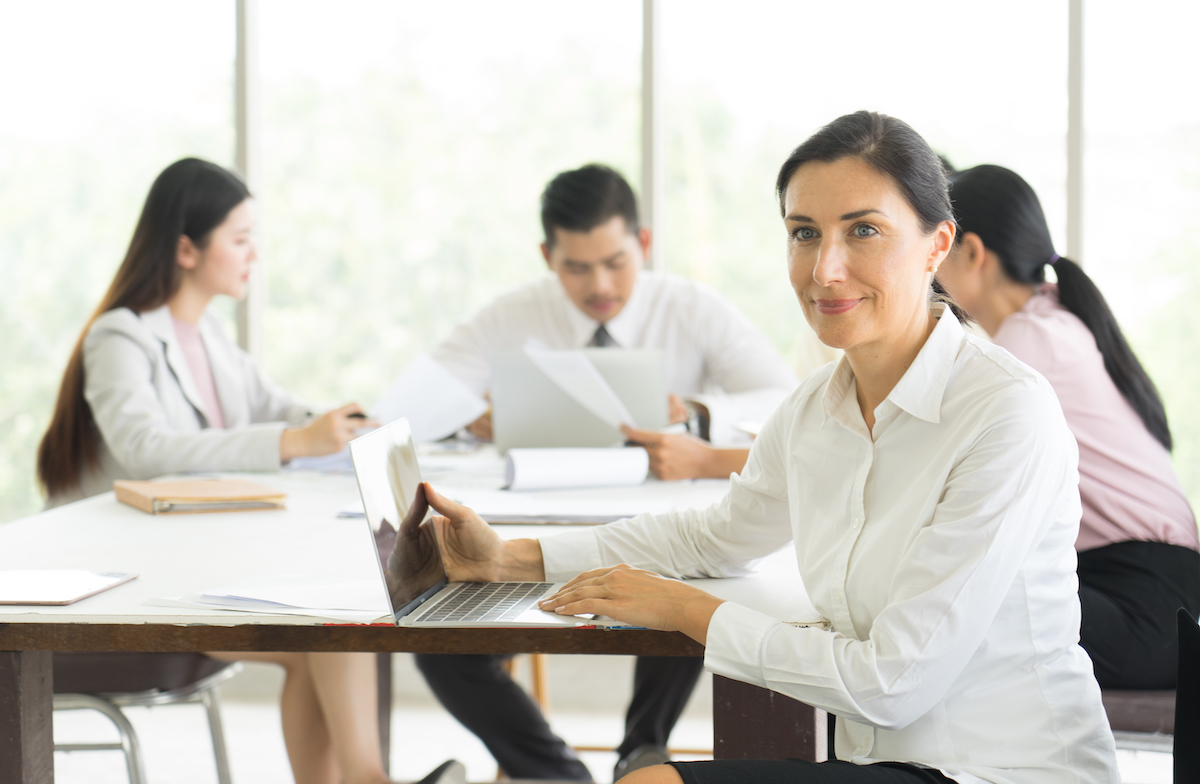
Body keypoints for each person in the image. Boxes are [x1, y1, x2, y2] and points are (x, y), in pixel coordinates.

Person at [419, 112, 1120, 783]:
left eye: (865, 231)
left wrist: (683, 609)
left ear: (938, 245)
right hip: (879, 764)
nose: (826, 269)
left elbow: (892, 683)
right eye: (805, 233)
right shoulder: (814, 409)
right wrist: (510, 556)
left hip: (1000, 770)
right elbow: (712, 537)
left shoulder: (1005, 413)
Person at [36, 158, 462, 784]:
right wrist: (294, 438)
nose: (253, 255)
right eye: (239, 239)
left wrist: (348, 423)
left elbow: (277, 407)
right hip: (114, 597)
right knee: (330, 626)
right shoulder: (119, 337)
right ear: (186, 248)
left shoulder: (207, 337)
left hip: (185, 570)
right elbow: (147, 449)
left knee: (332, 626)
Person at [421, 163, 803, 781]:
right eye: (576, 267)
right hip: (536, 516)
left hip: (665, 517)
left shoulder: (690, 307)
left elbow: (785, 399)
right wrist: (472, 416)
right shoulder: (513, 313)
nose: (599, 284)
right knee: (446, 646)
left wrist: (701, 413)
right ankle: (556, 775)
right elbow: (420, 398)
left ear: (643, 244)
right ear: (548, 256)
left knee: (691, 581)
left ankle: (640, 751)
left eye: (615, 262)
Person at [935, 163, 1200, 689]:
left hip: (1149, 601)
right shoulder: (1050, 319)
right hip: (1145, 587)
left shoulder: (1031, 343)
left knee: (955, 604)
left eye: (937, 247)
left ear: (972, 252)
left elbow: (931, 451)